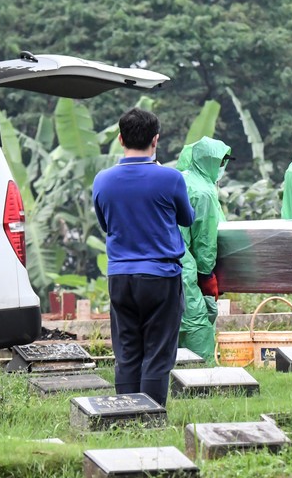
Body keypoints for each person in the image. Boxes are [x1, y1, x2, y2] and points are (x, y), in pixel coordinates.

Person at [92, 108, 194, 406]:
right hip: (161, 276)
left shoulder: (103, 180)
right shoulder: (170, 178)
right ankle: (150, 416)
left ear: (121, 139)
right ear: (156, 140)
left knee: (127, 351)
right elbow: (187, 218)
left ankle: (125, 415)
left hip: (120, 276)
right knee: (158, 352)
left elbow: (106, 224)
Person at [176, 137, 234, 362]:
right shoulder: (204, 192)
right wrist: (206, 275)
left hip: (159, 263)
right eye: (221, 162)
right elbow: (204, 241)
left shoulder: (181, 180)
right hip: (184, 267)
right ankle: (202, 380)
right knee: (197, 325)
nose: (223, 168)